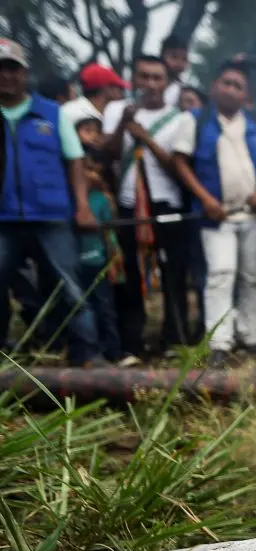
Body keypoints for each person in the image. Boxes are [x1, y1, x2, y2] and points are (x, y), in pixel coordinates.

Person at [172, 60, 256, 368]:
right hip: (216, 216)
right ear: (214, 86)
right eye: (226, 83)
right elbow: (180, 162)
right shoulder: (194, 120)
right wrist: (206, 198)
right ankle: (219, 342)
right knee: (221, 275)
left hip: (252, 214)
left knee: (252, 277)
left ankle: (250, 336)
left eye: (238, 86)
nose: (231, 89)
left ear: (245, 94)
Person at [0, 38, 103, 366]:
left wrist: (83, 206)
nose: (6, 75)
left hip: (51, 214)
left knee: (70, 286)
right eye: (0, 69)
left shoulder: (52, 113)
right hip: (3, 219)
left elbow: (75, 160)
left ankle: (86, 354)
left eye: (12, 67)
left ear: (24, 71)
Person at [103, 53, 193, 361]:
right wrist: (124, 126)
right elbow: (108, 154)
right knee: (129, 275)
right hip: (128, 203)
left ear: (167, 83)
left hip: (166, 204)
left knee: (173, 274)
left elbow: (177, 169)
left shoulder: (180, 119)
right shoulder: (117, 110)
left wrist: (145, 138)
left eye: (157, 78)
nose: (151, 84)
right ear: (134, 79)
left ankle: (173, 340)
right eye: (145, 77)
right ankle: (131, 342)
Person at [78, 146, 123, 362]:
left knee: (104, 307)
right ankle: (85, 351)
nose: (88, 174)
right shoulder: (67, 201)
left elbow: (110, 235)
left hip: (98, 260)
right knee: (80, 307)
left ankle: (112, 351)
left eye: (91, 169)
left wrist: (113, 263)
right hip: (75, 265)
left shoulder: (102, 200)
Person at [63, 63, 129, 129]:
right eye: (119, 87)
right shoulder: (70, 112)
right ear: (106, 88)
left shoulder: (112, 113)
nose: (121, 91)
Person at [161, 34, 191, 108]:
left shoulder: (183, 91)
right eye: (174, 57)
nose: (179, 63)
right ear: (162, 56)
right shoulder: (147, 82)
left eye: (184, 59)